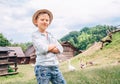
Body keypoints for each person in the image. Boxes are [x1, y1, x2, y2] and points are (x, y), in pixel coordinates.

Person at [32, 9, 66, 84]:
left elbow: (61, 49)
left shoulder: (50, 35)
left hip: (54, 66)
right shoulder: (35, 35)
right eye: (42, 19)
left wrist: (49, 47)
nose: (45, 22)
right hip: (42, 67)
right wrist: (54, 46)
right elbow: (42, 49)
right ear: (36, 21)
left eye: (47, 20)